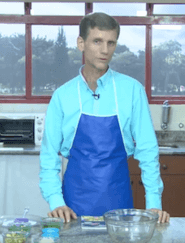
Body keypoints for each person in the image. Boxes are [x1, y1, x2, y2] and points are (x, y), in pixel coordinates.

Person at [39, 12, 170, 224]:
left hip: (119, 204)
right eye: (97, 41)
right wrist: (56, 202)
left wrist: (154, 203)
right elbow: (49, 155)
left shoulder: (132, 90)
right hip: (71, 208)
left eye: (111, 43)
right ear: (81, 43)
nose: (105, 50)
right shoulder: (62, 96)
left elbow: (147, 150)